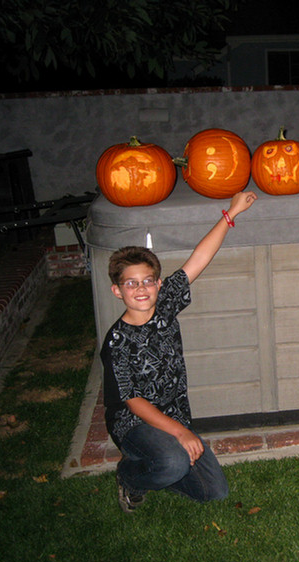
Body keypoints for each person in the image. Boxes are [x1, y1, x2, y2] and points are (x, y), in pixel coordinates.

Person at [101, 190, 258, 513]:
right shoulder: (117, 341)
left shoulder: (165, 306)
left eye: (148, 280)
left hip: (174, 417)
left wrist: (231, 214)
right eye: (131, 283)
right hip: (133, 423)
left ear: (159, 284)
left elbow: (198, 259)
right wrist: (181, 433)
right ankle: (130, 475)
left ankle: (160, 462)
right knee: (173, 463)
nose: (141, 288)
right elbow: (132, 399)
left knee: (213, 492)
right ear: (117, 291)